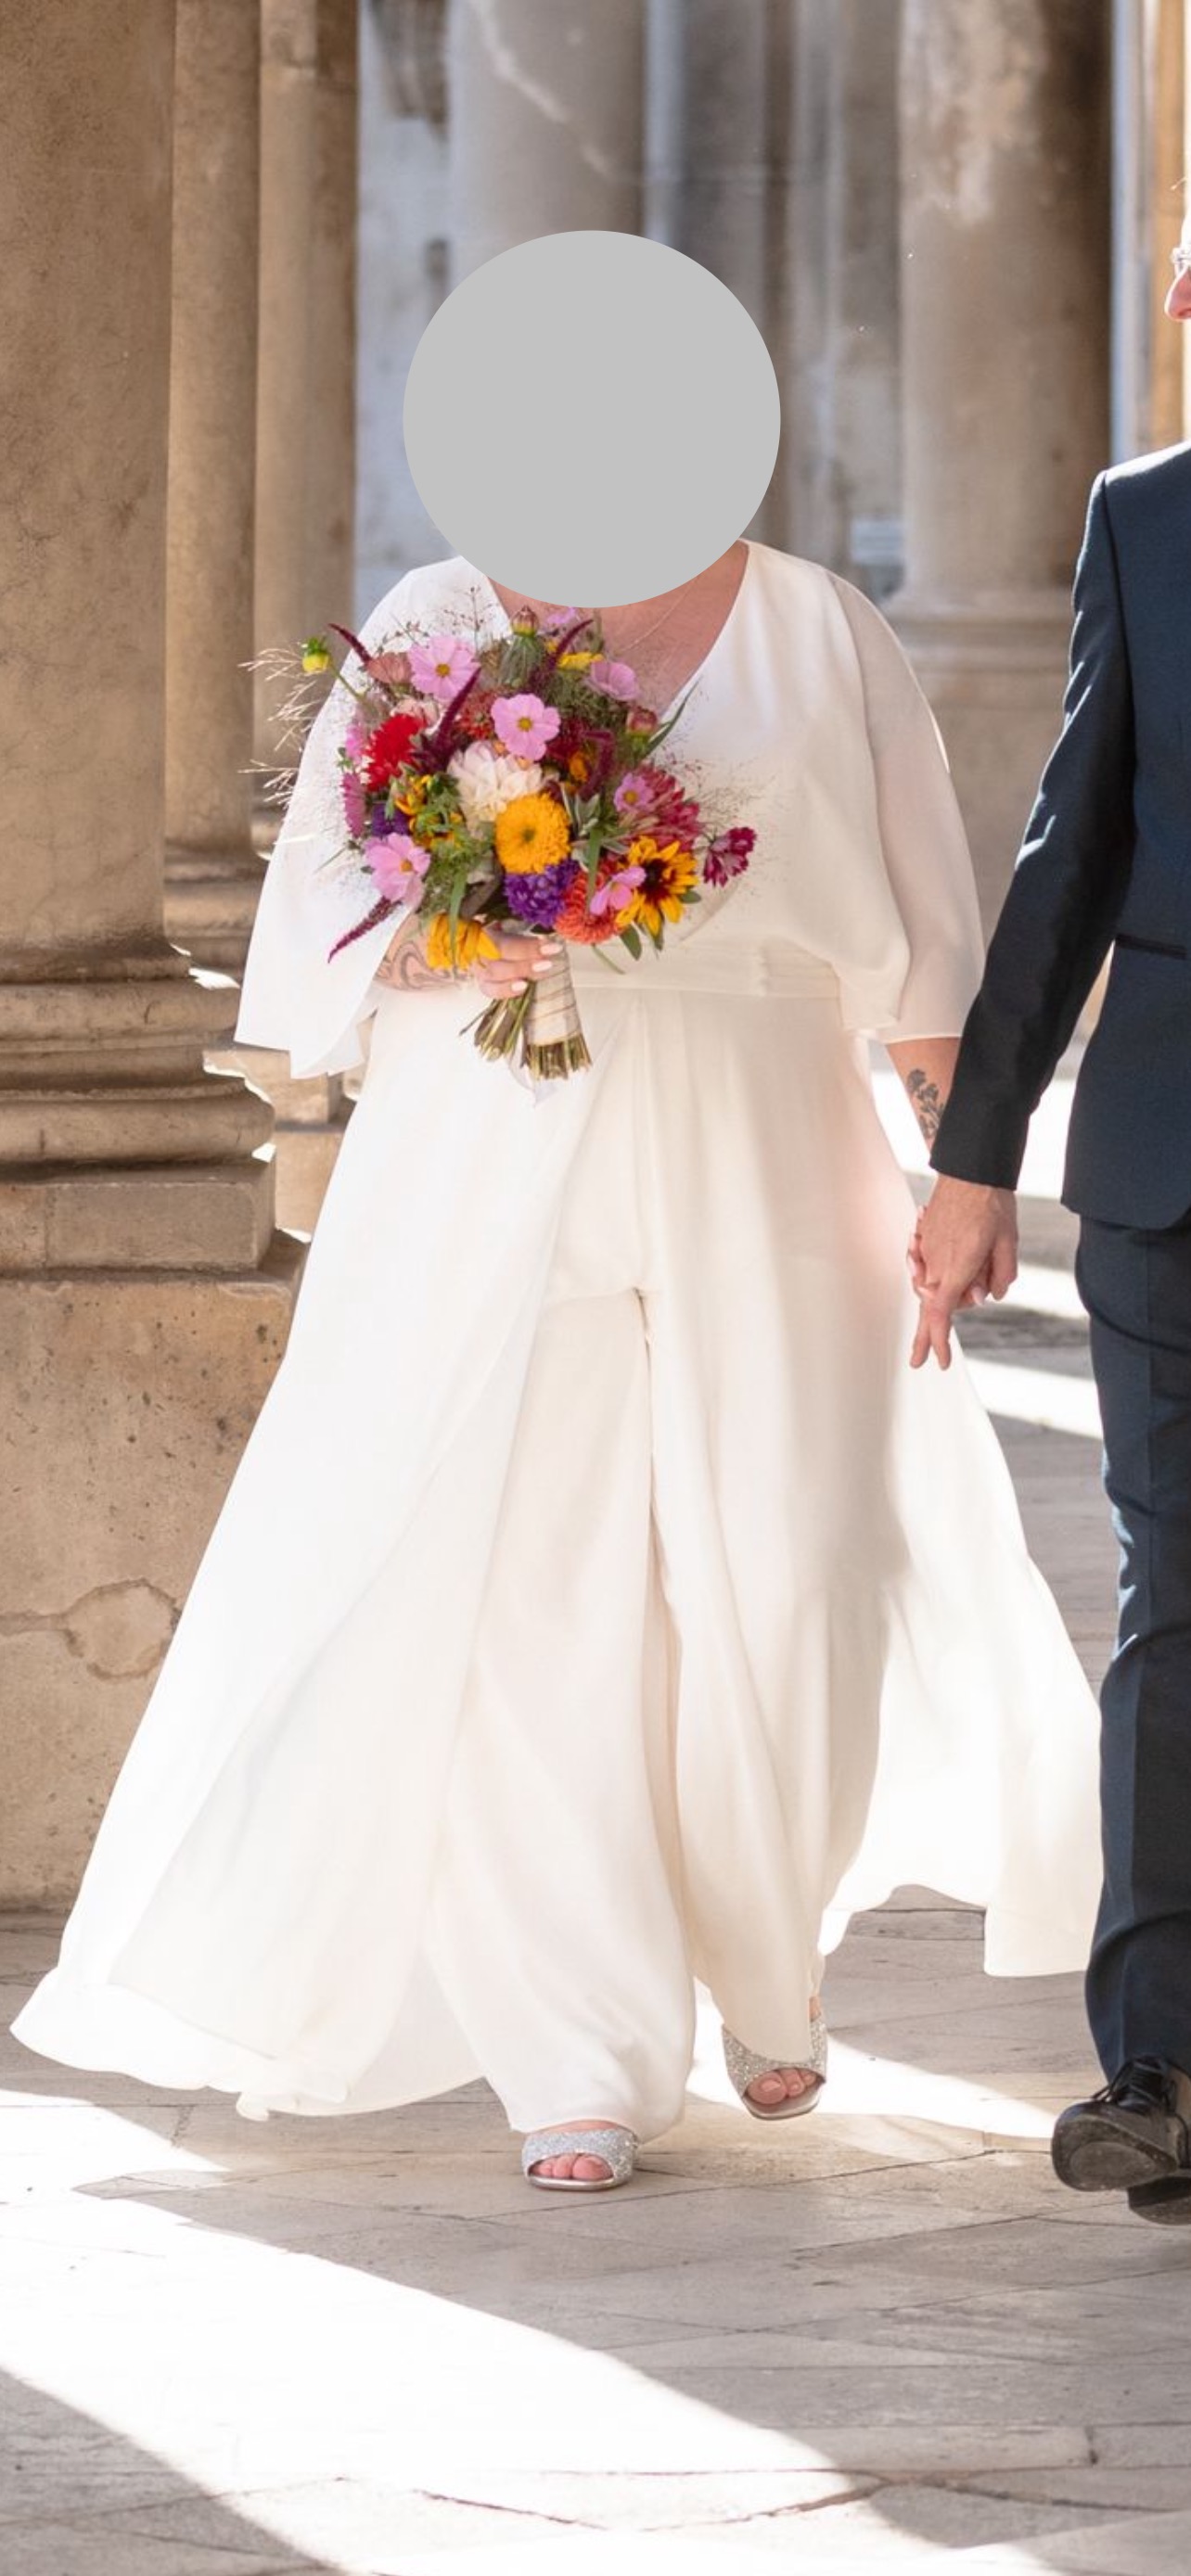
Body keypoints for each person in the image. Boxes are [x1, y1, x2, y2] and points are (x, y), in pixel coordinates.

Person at [12, 529, 1103, 2193]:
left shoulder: (826, 629)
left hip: (767, 1115)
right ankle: (576, 2051)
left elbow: (925, 946)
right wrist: (454, 942)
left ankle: (765, 1948)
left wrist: (965, 1176)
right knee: (540, 1578)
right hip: (491, 1130)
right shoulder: (434, 619)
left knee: (798, 1558)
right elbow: (314, 907)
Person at [915, 212, 1191, 2225]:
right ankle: (1165, 2068)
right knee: (1174, 1615)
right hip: (1176, 1170)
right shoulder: (1145, 521)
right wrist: (973, 1148)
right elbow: (1068, 844)